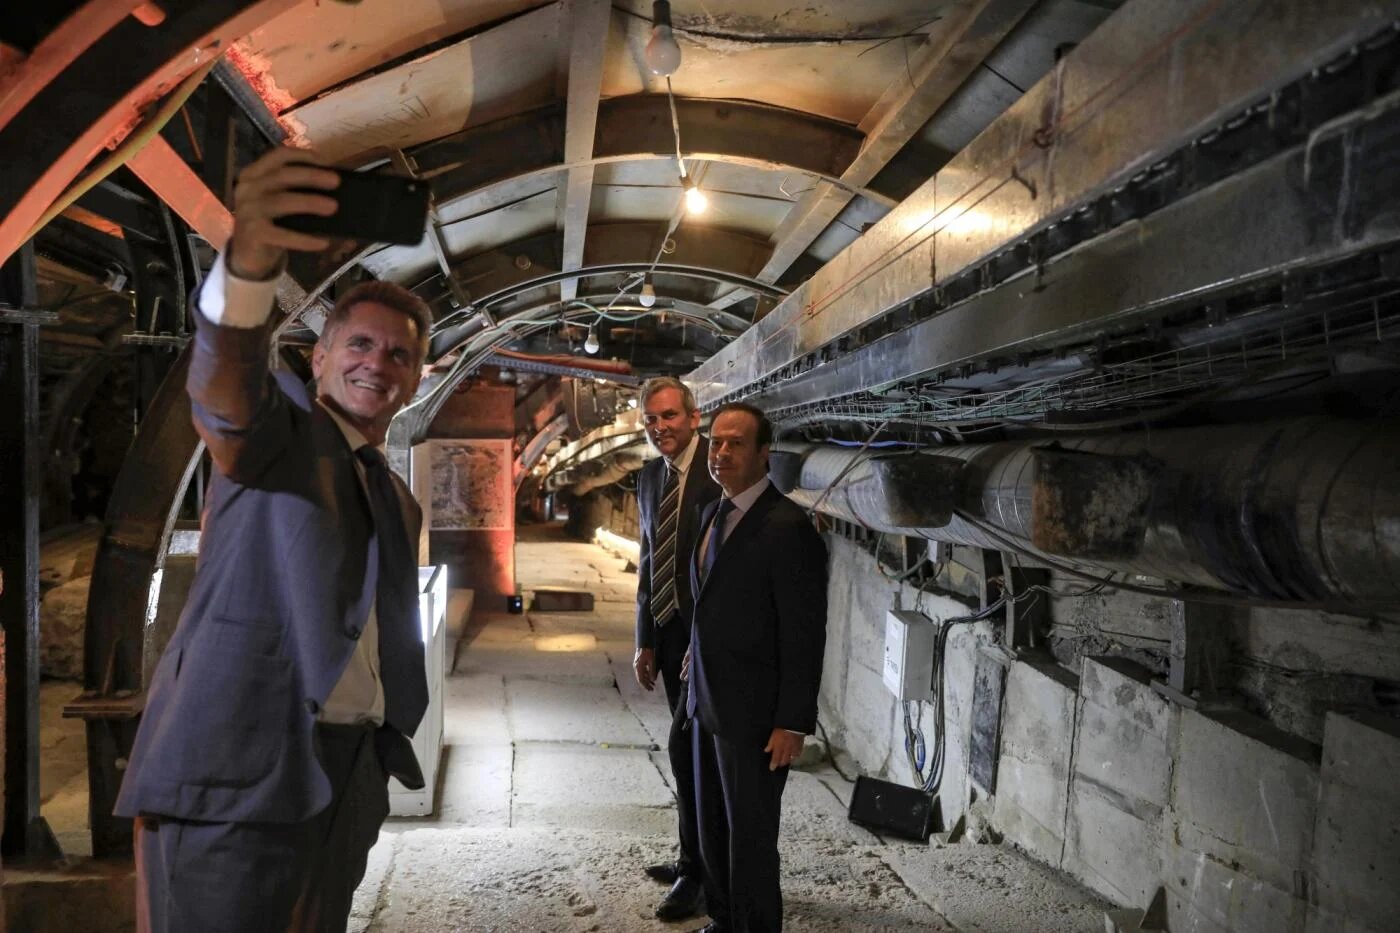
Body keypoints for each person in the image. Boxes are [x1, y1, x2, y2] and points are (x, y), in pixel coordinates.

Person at [114, 146, 431, 932]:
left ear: (416, 378)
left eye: (399, 354)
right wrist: (248, 266)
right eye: (359, 344)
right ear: (318, 356)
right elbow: (225, 383)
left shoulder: (395, 497)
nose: (377, 363)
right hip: (238, 778)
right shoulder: (277, 435)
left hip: (344, 781)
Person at [686, 403, 828, 933]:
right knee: (713, 826)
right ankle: (724, 921)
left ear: (764, 452)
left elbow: (804, 633)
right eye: (715, 442)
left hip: (755, 713)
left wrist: (792, 721)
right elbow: (712, 601)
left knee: (751, 838)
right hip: (706, 700)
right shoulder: (712, 512)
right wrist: (694, 653)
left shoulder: (788, 528)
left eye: (736, 443)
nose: (721, 453)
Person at [633, 376, 721, 921]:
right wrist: (644, 638)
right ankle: (694, 856)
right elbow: (648, 559)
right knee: (689, 754)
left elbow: (727, 571)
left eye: (669, 416)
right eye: (651, 419)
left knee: (691, 755)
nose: (659, 427)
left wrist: (703, 640)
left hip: (705, 640)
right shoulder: (650, 477)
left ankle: (700, 874)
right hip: (667, 633)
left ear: (693, 416)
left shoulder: (719, 469)